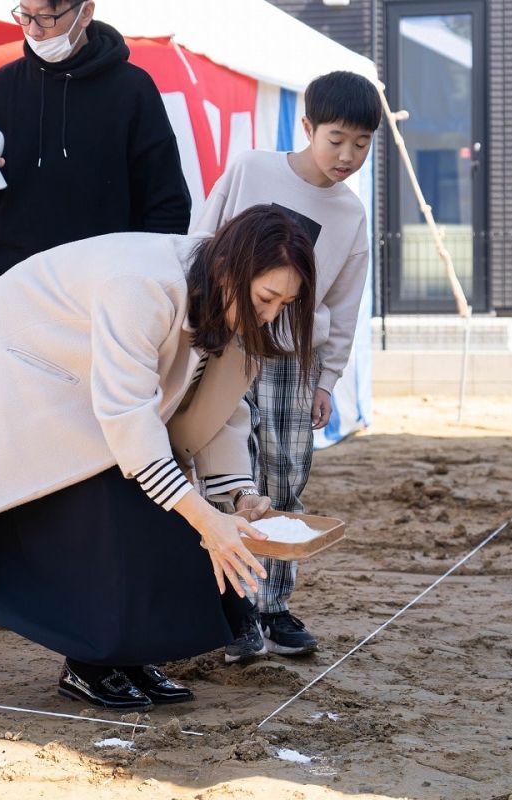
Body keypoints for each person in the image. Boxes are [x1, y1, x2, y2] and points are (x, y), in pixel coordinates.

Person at [0, 205, 316, 710]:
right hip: (26, 369)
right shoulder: (141, 285)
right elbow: (128, 414)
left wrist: (236, 495)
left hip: (90, 390)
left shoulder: (227, 298)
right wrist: (203, 518)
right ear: (230, 268)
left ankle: (127, 656)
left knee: (157, 512)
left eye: (284, 304)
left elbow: (220, 407)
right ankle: (91, 664)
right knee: (112, 518)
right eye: (266, 298)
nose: (269, 315)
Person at [192, 71, 381, 662]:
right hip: (226, 341)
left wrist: (326, 380)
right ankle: (234, 611)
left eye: (361, 144)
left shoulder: (350, 215)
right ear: (307, 127)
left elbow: (344, 305)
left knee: (285, 477)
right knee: (226, 475)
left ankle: (274, 606)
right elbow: (203, 237)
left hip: (292, 359)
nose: (347, 155)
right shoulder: (253, 168)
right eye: (336, 139)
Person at [0, 0, 191, 314]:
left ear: (86, 12)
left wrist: (143, 284)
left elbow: (168, 204)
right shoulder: (4, 84)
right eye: (24, 15)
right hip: (5, 277)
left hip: (96, 289)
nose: (33, 30)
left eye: (47, 17)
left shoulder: (132, 89)